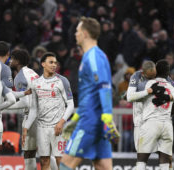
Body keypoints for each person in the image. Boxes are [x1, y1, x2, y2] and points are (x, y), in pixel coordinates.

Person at [60, 17, 118, 170]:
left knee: (65, 164)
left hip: (90, 121)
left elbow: (104, 86)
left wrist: (107, 116)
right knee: (103, 166)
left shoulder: (93, 56)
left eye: (78, 31)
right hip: (95, 120)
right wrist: (77, 116)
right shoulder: (93, 56)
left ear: (85, 34)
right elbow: (90, 92)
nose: (75, 34)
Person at [126, 60, 174, 170]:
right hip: (163, 124)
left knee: (141, 161)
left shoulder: (146, 84)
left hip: (149, 123)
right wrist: (166, 97)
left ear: (156, 70)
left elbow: (129, 97)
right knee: (165, 163)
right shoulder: (137, 76)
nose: (152, 78)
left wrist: (163, 96)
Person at [22, 52, 74, 170]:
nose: (54, 65)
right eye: (51, 62)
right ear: (43, 64)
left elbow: (70, 104)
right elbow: (34, 109)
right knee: (44, 160)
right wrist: (26, 127)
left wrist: (61, 122)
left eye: (55, 63)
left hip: (58, 127)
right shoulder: (36, 83)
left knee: (61, 160)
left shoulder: (62, 81)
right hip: (41, 128)